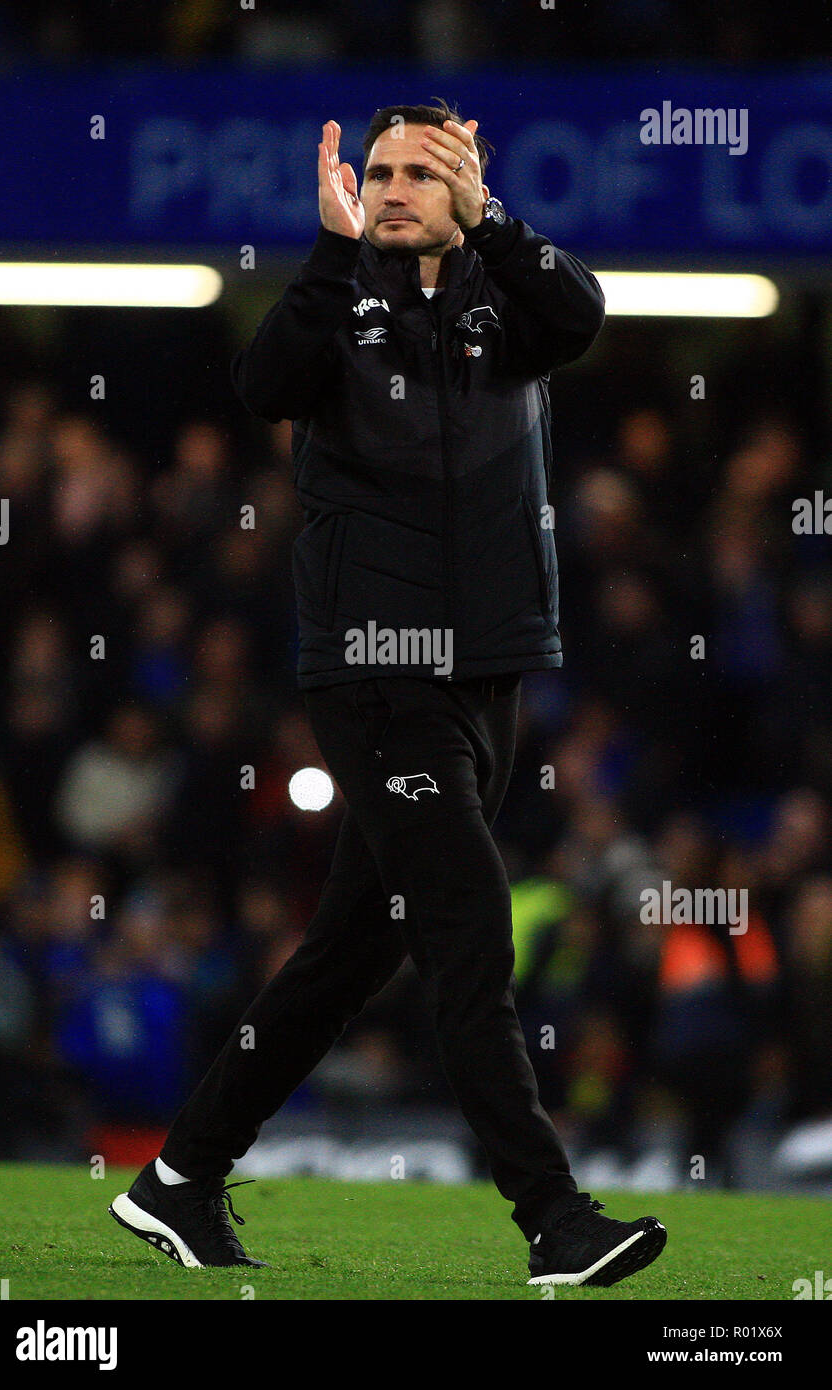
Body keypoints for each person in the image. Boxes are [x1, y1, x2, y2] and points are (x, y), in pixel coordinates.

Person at [109, 99, 666, 1287]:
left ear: (468, 177)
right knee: (467, 925)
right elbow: (262, 382)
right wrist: (325, 253)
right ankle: (553, 1220)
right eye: (381, 170)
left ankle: (176, 1179)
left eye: (425, 169)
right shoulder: (333, 307)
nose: (398, 186)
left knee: (349, 952)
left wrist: (494, 221)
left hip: (488, 668)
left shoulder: (506, 296)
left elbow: (583, 313)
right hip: (374, 670)